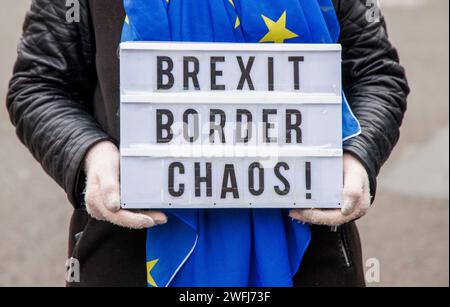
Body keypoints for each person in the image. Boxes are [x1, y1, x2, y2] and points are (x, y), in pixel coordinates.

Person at [6, 0, 409, 287]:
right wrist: (89, 154)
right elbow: (38, 83)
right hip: (130, 253)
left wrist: (358, 155)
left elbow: (376, 72)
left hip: (309, 256)